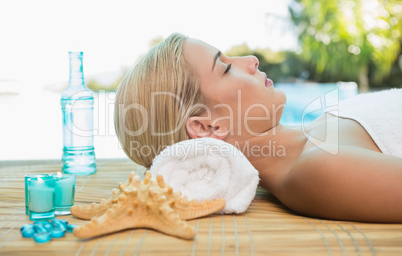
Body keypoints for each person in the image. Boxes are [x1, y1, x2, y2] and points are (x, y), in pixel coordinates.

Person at [114, 33, 402, 223]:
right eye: (226, 68)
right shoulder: (320, 168)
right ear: (207, 127)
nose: (251, 61)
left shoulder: (314, 139)